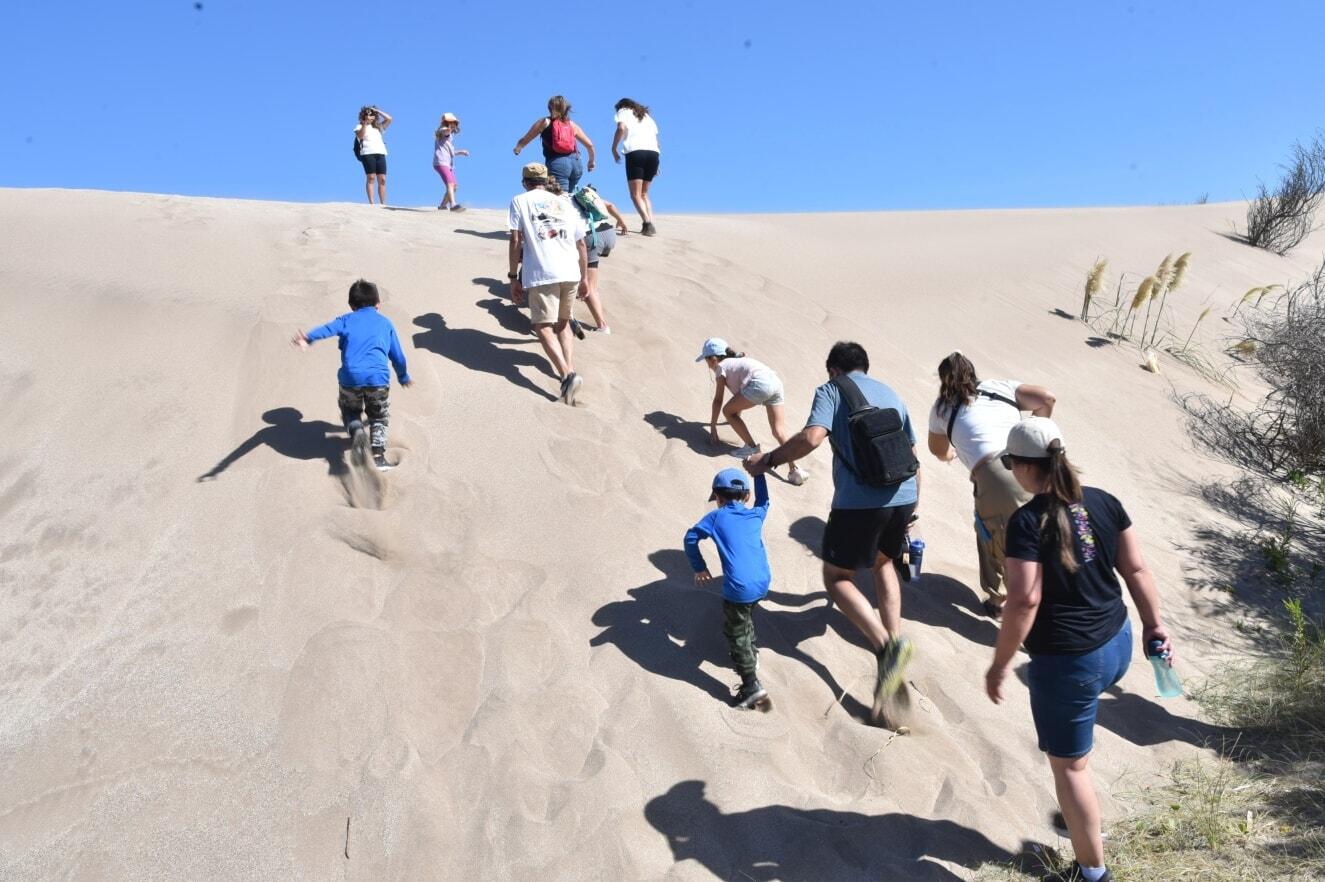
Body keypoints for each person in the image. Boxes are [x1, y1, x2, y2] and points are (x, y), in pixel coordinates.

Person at [985, 417, 1173, 882]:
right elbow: (1137, 570)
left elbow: (1025, 600)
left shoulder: (1028, 522)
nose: (1010, 470)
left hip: (1069, 661)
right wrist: (1155, 625)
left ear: (1026, 467)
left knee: (1069, 769)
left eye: (1010, 463)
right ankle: (1079, 817)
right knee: (1076, 754)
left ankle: (1092, 873)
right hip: (1117, 643)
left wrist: (1000, 663)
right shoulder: (1105, 502)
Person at [745, 342, 920, 724]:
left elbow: (811, 438)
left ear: (834, 370)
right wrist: (914, 508)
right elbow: (911, 453)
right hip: (905, 494)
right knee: (883, 564)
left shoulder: (831, 390)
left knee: (837, 577)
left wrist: (769, 460)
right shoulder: (891, 393)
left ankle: (886, 645)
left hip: (860, 502)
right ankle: (890, 650)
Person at [926, 351, 1057, 618]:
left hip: (995, 477)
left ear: (943, 380)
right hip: (1036, 468)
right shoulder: (999, 387)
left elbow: (937, 449)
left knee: (996, 539)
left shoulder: (942, 407)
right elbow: (1047, 398)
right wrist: (1032, 435)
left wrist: (950, 454)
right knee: (1044, 538)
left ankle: (1002, 602)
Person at [291, 279, 412, 471]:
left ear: (351, 305)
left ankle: (356, 431)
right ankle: (379, 458)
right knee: (378, 417)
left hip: (350, 378)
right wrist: (403, 376)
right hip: (378, 379)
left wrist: (308, 338)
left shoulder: (345, 320)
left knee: (350, 411)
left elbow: (326, 329)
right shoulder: (385, 323)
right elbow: (397, 355)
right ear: (378, 304)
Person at [684, 468, 774, 709]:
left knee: (735, 632)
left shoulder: (715, 517)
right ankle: (751, 652)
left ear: (718, 498)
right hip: (763, 582)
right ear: (746, 497)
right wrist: (759, 473)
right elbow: (765, 500)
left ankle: (750, 685)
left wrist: (699, 567)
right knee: (745, 616)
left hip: (739, 587)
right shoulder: (756, 514)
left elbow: (690, 537)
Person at [507, 162, 590, 405]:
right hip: (570, 270)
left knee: (542, 327)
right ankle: (569, 368)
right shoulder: (565, 202)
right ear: (545, 180)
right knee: (563, 324)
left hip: (543, 271)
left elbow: (515, 240)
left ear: (524, 181)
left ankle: (567, 375)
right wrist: (584, 277)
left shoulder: (519, 201)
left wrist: (513, 277)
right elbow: (581, 243)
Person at [698, 338, 808, 486]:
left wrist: (713, 426)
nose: (708, 366)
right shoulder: (737, 362)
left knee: (727, 411)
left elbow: (718, 400)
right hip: (775, 382)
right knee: (779, 431)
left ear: (713, 359)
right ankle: (795, 469)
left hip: (760, 384)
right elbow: (739, 400)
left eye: (706, 361)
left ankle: (751, 447)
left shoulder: (721, 367)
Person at [567, 183, 629, 335]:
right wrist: (621, 220)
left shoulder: (562, 201)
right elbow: (610, 204)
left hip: (591, 238)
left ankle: (602, 326)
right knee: (583, 267)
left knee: (588, 286)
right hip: (608, 233)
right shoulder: (584, 195)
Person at [513, 95, 596, 193]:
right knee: (570, 196)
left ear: (550, 108)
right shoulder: (571, 125)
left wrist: (518, 148)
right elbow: (590, 145)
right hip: (576, 163)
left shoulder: (545, 122)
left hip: (558, 163)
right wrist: (591, 161)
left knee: (559, 196)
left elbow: (526, 138)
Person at [611, 98, 660, 236]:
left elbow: (621, 127)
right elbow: (656, 140)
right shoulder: (647, 117)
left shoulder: (624, 111)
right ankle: (650, 222)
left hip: (635, 152)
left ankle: (647, 223)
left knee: (635, 194)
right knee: (644, 193)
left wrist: (614, 148)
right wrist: (657, 163)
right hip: (654, 154)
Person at [355, 106, 392, 205]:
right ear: (363, 116)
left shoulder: (378, 128)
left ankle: (383, 203)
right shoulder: (359, 126)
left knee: (383, 179)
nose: (369, 116)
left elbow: (389, 119)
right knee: (371, 177)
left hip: (380, 153)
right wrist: (364, 124)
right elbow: (360, 136)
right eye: (367, 114)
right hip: (367, 153)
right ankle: (372, 203)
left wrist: (378, 111)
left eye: (371, 115)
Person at [433, 112, 469, 211]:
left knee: (455, 187)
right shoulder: (443, 131)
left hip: (448, 163)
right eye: (452, 122)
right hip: (441, 162)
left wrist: (461, 152)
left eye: (454, 122)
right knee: (450, 184)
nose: (454, 124)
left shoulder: (449, 136)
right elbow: (444, 131)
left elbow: (450, 152)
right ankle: (453, 204)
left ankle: (442, 206)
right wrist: (448, 128)